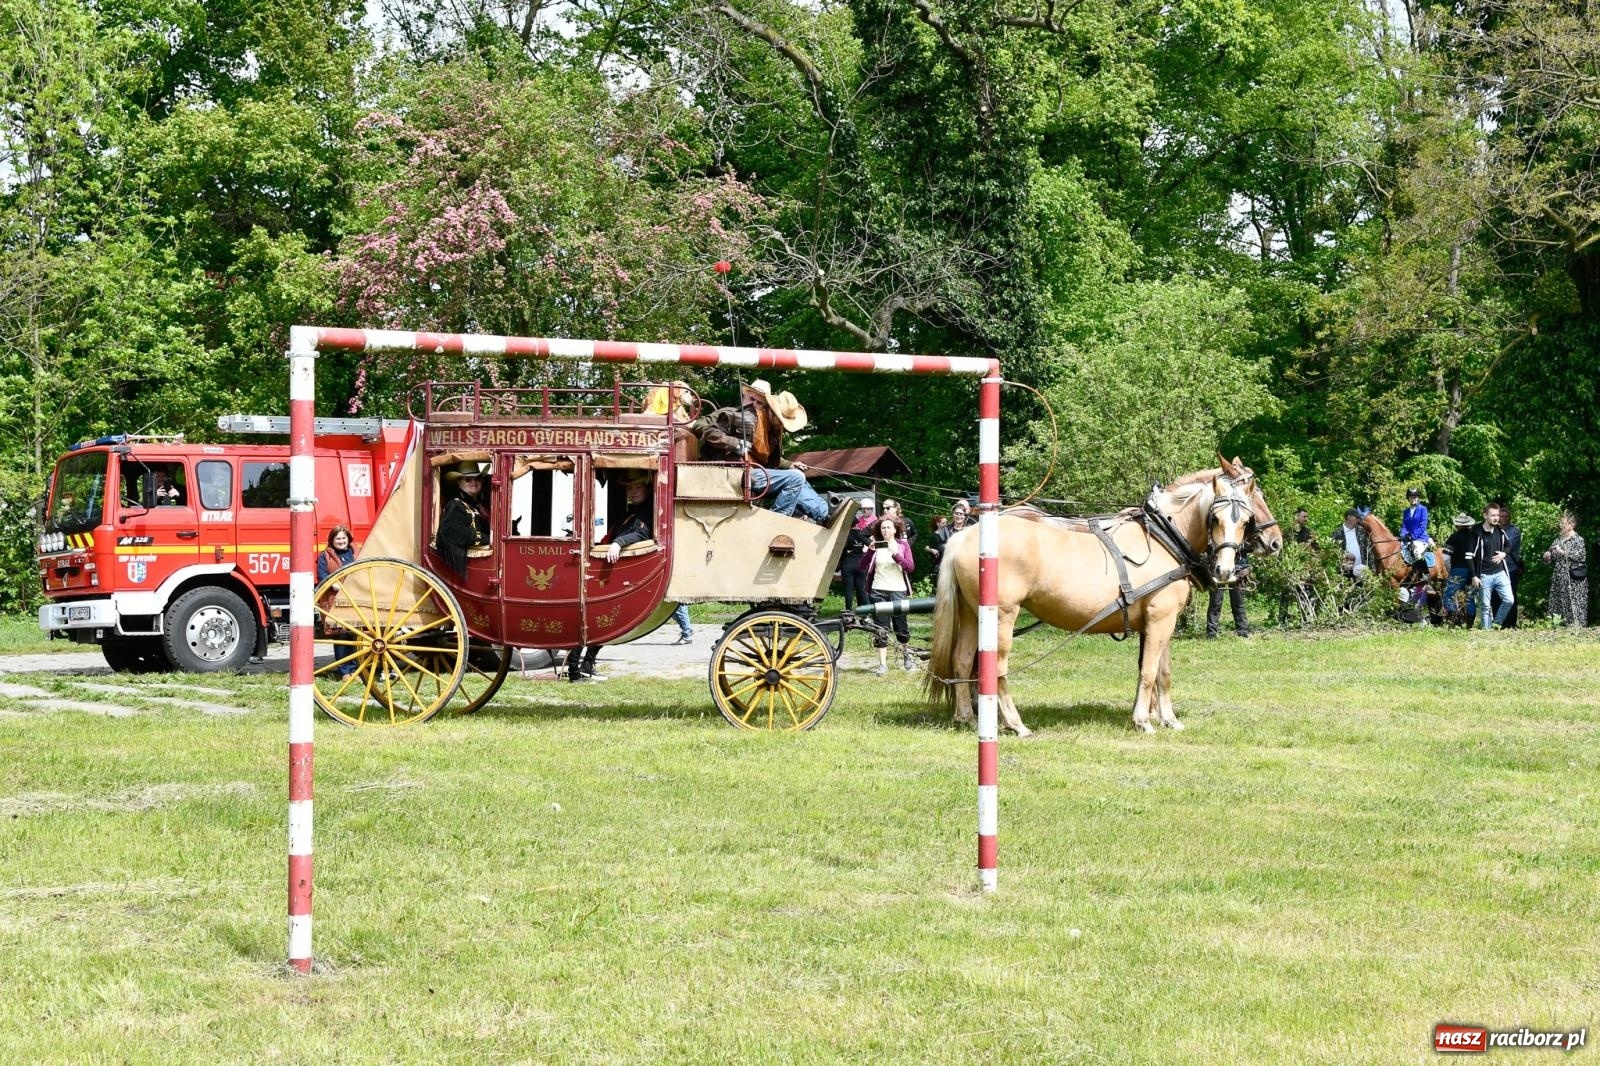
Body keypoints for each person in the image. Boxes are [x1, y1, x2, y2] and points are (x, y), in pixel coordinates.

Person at [689, 380, 833, 524]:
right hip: (734, 472)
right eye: (752, 399)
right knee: (795, 479)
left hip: (757, 473)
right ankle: (775, 523)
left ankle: (826, 515)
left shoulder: (768, 429)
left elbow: (763, 455)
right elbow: (700, 425)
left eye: (760, 403)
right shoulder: (731, 414)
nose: (755, 406)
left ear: (766, 407)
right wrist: (733, 443)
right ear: (744, 395)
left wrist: (790, 465)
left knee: (798, 477)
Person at [570, 473, 656, 682]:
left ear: (646, 489)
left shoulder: (645, 512)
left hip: (615, 572)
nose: (632, 491)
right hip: (608, 571)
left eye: (637, 487)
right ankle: (576, 669)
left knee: (595, 621)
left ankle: (583, 666)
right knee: (594, 621)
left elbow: (642, 535)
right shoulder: (632, 513)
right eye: (630, 488)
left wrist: (619, 543)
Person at [866, 515, 916, 675]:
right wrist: (869, 552)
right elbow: (862, 566)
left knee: (901, 624)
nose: (885, 530)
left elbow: (910, 567)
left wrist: (896, 555)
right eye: (883, 528)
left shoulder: (902, 545)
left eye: (888, 527)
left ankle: (906, 653)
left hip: (897, 589)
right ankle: (882, 665)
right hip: (878, 589)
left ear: (895, 529)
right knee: (880, 627)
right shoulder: (877, 546)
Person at [437, 460, 490, 579]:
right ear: (459, 482)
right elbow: (452, 532)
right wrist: (488, 538)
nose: (474, 482)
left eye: (477, 478)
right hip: (464, 568)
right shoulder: (456, 505)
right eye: (468, 479)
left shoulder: (478, 505)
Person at [317, 525, 358, 678]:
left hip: (354, 599)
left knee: (352, 634)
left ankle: (354, 668)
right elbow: (322, 576)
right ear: (332, 540)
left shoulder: (356, 553)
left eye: (343, 538)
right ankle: (345, 671)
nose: (341, 541)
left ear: (348, 539)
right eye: (338, 539)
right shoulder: (325, 556)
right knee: (340, 635)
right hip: (334, 599)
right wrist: (332, 584)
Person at [1470, 502, 1515, 629]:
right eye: (1493, 515)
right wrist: (1474, 576)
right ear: (1485, 515)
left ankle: (1496, 623)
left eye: (1497, 515)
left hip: (1500, 573)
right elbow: (1469, 556)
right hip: (1484, 575)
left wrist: (1503, 554)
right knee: (1485, 606)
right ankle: (1486, 631)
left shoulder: (1500, 531)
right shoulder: (1477, 531)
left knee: (1509, 600)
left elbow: (1508, 545)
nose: (1496, 518)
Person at [1542, 511, 1588, 627]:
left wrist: (1563, 552)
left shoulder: (1578, 540)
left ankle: (1576, 627)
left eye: (1563, 523)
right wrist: (1547, 556)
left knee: (1574, 603)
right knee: (1557, 603)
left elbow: (1581, 556)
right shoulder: (1558, 539)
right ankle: (1558, 626)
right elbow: (1550, 558)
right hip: (1559, 577)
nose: (1560, 526)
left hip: (1573, 578)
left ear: (1571, 525)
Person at [1441, 512, 1479, 623]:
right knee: (1470, 596)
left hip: (1458, 569)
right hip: (1473, 571)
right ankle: (1470, 622)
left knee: (1449, 595)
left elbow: (1446, 557)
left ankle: (1454, 620)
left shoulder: (1454, 537)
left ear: (1457, 525)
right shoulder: (1475, 537)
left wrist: (1449, 569)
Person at [1206, 553, 1251, 638]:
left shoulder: (1243, 541)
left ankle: (1242, 632)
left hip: (1239, 569)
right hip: (1218, 569)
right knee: (1215, 603)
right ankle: (1211, 634)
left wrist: (1245, 571)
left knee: (1238, 604)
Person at [1494, 500, 1524, 627]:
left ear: (1509, 518)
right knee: (1495, 596)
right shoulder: (1492, 529)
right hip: (1495, 567)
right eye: (1502, 516)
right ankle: (1497, 622)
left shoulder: (1515, 531)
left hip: (1510, 568)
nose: (1504, 519)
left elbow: (1508, 546)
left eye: (1506, 516)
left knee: (1510, 596)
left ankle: (1511, 623)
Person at [841, 509, 876, 614]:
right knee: (862, 588)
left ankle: (848, 610)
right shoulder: (862, 534)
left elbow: (842, 550)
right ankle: (866, 611)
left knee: (848, 588)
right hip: (861, 563)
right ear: (857, 523)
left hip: (848, 563)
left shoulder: (845, 535)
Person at [928, 498, 971, 575]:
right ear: (953, 514)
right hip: (948, 566)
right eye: (956, 513)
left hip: (965, 565)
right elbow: (938, 547)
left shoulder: (969, 530)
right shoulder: (945, 530)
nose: (958, 516)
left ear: (964, 516)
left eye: (961, 514)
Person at [1399, 487, 1434, 579]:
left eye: (1415, 496)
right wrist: (1402, 535)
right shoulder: (1406, 511)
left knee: (1417, 552)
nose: (1413, 498)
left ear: (1418, 498)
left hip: (1420, 538)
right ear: (1408, 498)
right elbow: (1404, 526)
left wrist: (1412, 536)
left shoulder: (1423, 509)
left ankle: (1425, 574)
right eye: (1411, 496)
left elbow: (1422, 526)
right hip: (1408, 538)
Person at [1330, 509, 1373, 580]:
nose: (1359, 520)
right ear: (1349, 517)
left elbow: (1368, 551)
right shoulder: (1337, 533)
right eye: (1357, 517)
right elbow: (1333, 553)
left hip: (1361, 571)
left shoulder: (1361, 531)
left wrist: (1372, 569)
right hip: (1345, 573)